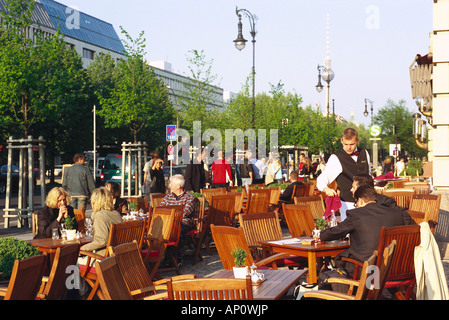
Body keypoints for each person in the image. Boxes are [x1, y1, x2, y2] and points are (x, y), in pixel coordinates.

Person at [319, 185, 408, 278]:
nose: (356, 205)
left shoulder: (357, 215)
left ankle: (350, 290)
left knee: (334, 268)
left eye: (356, 202)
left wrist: (320, 234)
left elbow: (334, 233)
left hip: (368, 270)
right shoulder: (396, 212)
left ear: (360, 200)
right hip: (395, 267)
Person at [317, 128, 370, 221]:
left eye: (352, 144)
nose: (349, 147)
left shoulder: (364, 153)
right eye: (346, 144)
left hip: (367, 201)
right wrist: (326, 189)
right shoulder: (336, 158)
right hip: (348, 203)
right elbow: (323, 177)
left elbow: (368, 174)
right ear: (341, 141)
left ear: (357, 141)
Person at [160, 174, 197, 266]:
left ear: (178, 186)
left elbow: (184, 213)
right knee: (160, 230)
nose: (169, 186)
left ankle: (177, 258)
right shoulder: (168, 197)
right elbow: (161, 210)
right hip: (169, 223)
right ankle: (169, 257)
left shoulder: (189, 197)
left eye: (171, 184)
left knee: (176, 230)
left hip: (184, 223)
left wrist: (170, 215)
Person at [79, 187, 123, 258]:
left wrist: (81, 249)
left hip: (104, 258)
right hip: (117, 254)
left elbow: (102, 241)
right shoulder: (116, 214)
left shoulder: (99, 215)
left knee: (73, 263)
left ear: (94, 201)